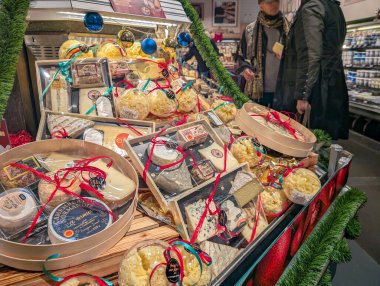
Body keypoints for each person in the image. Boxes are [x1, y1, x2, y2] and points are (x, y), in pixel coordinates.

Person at [274, 0, 349, 140]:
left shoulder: (312, 8)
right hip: (329, 86)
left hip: (315, 92)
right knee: (322, 145)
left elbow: (310, 55)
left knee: (306, 144)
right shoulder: (334, 8)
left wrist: (303, 95)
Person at [236, 0, 289, 107]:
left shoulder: (289, 29)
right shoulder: (249, 30)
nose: (274, 4)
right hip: (257, 91)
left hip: (282, 92)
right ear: (261, 6)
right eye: (269, 2)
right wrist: (246, 69)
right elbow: (240, 57)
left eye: (277, 1)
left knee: (279, 123)